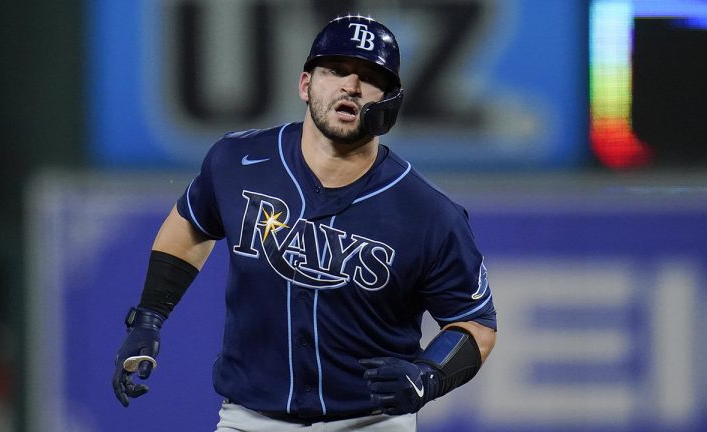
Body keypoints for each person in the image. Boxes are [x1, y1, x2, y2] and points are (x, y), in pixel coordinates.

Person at [112, 15, 497, 432]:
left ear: (390, 102)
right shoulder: (238, 160)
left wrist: (429, 375)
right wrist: (149, 317)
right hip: (250, 419)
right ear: (305, 84)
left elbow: (475, 324)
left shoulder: (429, 212)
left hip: (370, 421)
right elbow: (191, 226)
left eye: (370, 77)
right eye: (336, 70)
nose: (351, 85)